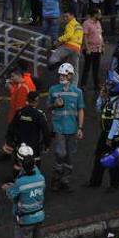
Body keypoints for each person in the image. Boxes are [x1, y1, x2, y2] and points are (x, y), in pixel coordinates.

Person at [3, 144, 46, 238]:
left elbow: (12, 195)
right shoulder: (41, 178)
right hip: (39, 217)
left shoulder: (20, 182)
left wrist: (8, 188)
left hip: (25, 221)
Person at [87, 70, 119, 191]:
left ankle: (114, 185)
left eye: (109, 85)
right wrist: (101, 96)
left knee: (113, 159)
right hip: (105, 133)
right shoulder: (109, 99)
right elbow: (98, 109)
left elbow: (116, 122)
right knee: (99, 156)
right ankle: (95, 181)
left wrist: (110, 137)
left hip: (113, 135)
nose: (107, 86)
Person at [47, 63, 84, 192]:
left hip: (72, 129)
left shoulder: (77, 92)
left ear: (70, 75)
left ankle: (65, 180)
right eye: (60, 74)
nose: (61, 77)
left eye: (64, 74)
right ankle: (56, 179)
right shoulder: (53, 90)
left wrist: (80, 128)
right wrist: (55, 105)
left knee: (69, 155)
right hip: (59, 128)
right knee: (60, 152)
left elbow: (80, 110)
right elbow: (48, 107)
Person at [2, 89, 51, 170]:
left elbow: (11, 127)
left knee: (18, 165)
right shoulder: (39, 114)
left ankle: (17, 180)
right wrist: (47, 145)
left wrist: (9, 141)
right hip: (34, 147)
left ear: (27, 99)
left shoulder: (20, 112)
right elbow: (45, 131)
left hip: (20, 145)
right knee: (34, 166)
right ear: (37, 101)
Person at [50, 11, 84, 82]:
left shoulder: (70, 24)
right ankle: (74, 87)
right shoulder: (79, 26)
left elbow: (68, 35)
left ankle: (57, 63)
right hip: (77, 48)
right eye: (64, 17)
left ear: (72, 16)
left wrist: (58, 40)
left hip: (69, 46)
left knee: (54, 57)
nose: (65, 18)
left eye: (67, 16)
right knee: (74, 69)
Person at [81, 8, 105, 93]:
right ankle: (83, 84)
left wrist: (102, 45)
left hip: (97, 49)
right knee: (87, 68)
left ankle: (96, 84)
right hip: (90, 49)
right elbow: (85, 37)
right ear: (95, 14)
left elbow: (100, 35)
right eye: (99, 14)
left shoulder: (98, 23)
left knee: (96, 68)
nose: (100, 15)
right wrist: (87, 48)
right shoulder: (86, 23)